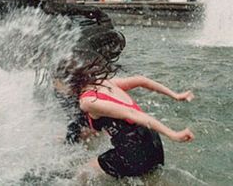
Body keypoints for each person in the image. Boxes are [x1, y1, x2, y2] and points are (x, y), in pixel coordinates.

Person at [53, 53, 195, 179]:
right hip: (153, 143)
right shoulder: (104, 83)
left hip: (135, 151)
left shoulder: (88, 102)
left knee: (82, 173)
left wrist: (173, 134)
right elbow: (141, 80)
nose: (55, 86)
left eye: (56, 81)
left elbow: (131, 114)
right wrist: (175, 95)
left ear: (67, 82)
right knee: (147, 179)